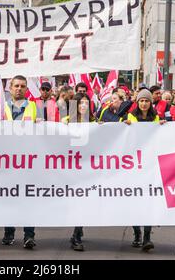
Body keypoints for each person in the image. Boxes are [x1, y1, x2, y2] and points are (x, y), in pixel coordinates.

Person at [121, 89, 166, 252]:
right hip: (134, 166)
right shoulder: (131, 117)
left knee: (148, 202)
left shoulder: (156, 118)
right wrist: (125, 127)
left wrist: (162, 126)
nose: (144, 103)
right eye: (141, 101)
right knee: (135, 202)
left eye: (147, 100)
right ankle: (137, 233)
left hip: (151, 166)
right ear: (137, 102)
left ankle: (147, 237)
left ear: (150, 103)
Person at [2, 75, 37, 249]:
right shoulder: (0, 107)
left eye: (22, 86)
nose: (19, 89)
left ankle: (29, 235)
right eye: (16, 85)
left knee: (29, 199)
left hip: (28, 161)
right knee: (9, 198)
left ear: (26, 89)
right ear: (10, 87)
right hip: (6, 161)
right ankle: (9, 233)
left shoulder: (34, 106)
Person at [62, 92, 95, 251]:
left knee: (85, 202)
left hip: (89, 169)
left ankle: (76, 233)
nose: (83, 105)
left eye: (86, 102)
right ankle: (76, 234)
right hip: (71, 168)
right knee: (77, 203)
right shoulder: (65, 122)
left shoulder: (95, 122)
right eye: (80, 103)